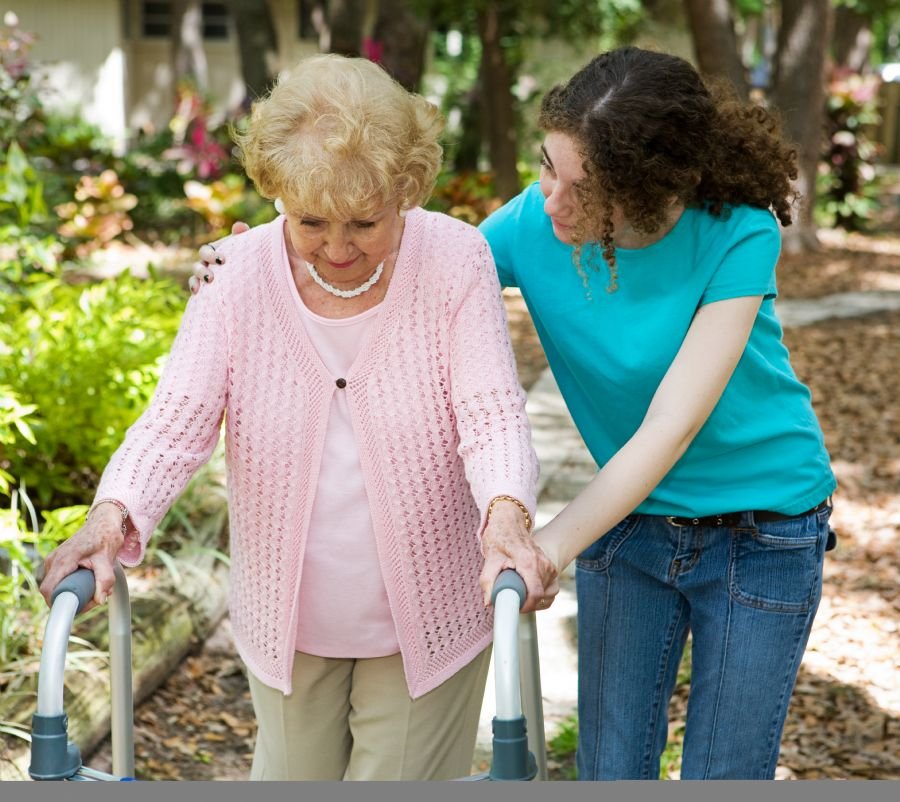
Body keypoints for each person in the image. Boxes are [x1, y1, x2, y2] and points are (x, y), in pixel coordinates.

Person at [192, 47, 837, 780]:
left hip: (765, 528)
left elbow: (672, 426)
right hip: (633, 524)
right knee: (611, 769)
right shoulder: (535, 222)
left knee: (723, 774)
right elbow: (404, 258)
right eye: (545, 168)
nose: (549, 201)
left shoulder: (738, 231)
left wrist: (541, 545)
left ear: (652, 190)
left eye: (581, 189)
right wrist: (258, 263)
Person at [38, 54, 553, 782]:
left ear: (405, 190)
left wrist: (506, 516)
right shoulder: (234, 276)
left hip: (429, 621)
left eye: (365, 222)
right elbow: (174, 421)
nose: (338, 249)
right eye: (311, 221)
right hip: (287, 625)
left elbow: (490, 411)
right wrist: (110, 513)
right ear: (277, 191)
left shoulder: (454, 259)